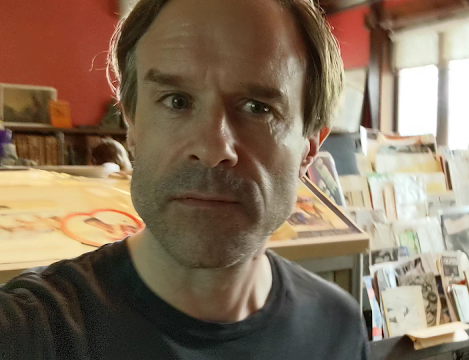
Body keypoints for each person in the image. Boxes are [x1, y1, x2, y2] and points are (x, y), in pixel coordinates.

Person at [0, 0, 369, 359]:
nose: (211, 149)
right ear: (132, 125)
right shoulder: (30, 331)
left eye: (258, 108)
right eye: (176, 101)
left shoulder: (337, 327)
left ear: (309, 147)